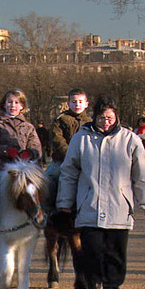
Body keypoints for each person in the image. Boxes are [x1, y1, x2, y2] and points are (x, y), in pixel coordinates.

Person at [56, 96, 145, 289]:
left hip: (119, 207)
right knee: (91, 251)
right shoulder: (81, 139)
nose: (106, 122)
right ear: (95, 117)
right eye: (102, 118)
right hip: (89, 205)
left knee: (115, 253)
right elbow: (69, 172)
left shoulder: (129, 139)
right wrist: (65, 201)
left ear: (117, 117)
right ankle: (91, 285)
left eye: (110, 118)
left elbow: (142, 173)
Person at [0, 89, 42, 228]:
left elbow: (37, 148)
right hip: (1, 167)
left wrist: (29, 153)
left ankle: (41, 215)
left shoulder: (28, 127)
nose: (13, 105)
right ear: (4, 104)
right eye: (9, 102)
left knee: (41, 185)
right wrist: (6, 151)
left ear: (22, 106)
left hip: (24, 169)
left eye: (16, 102)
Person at [45, 87, 91, 215]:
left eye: (80, 101)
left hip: (86, 161)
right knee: (50, 179)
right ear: (68, 103)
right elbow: (57, 140)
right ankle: (49, 211)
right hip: (62, 160)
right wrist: (71, 157)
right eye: (74, 102)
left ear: (86, 104)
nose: (77, 104)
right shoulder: (60, 120)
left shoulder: (91, 122)